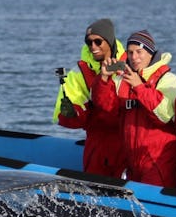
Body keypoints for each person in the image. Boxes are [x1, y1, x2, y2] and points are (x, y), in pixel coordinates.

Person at [91, 30, 176, 187]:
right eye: (130, 52)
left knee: (152, 205)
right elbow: (106, 108)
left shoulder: (168, 79)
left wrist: (139, 87)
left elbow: (164, 115)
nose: (134, 57)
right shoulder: (122, 78)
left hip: (158, 160)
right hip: (132, 160)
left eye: (139, 52)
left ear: (150, 53)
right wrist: (104, 78)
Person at [53, 18, 127, 177]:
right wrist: (70, 114)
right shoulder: (77, 74)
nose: (93, 47)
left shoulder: (130, 64)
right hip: (97, 147)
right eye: (89, 42)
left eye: (98, 41)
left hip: (127, 145)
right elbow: (68, 118)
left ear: (109, 41)